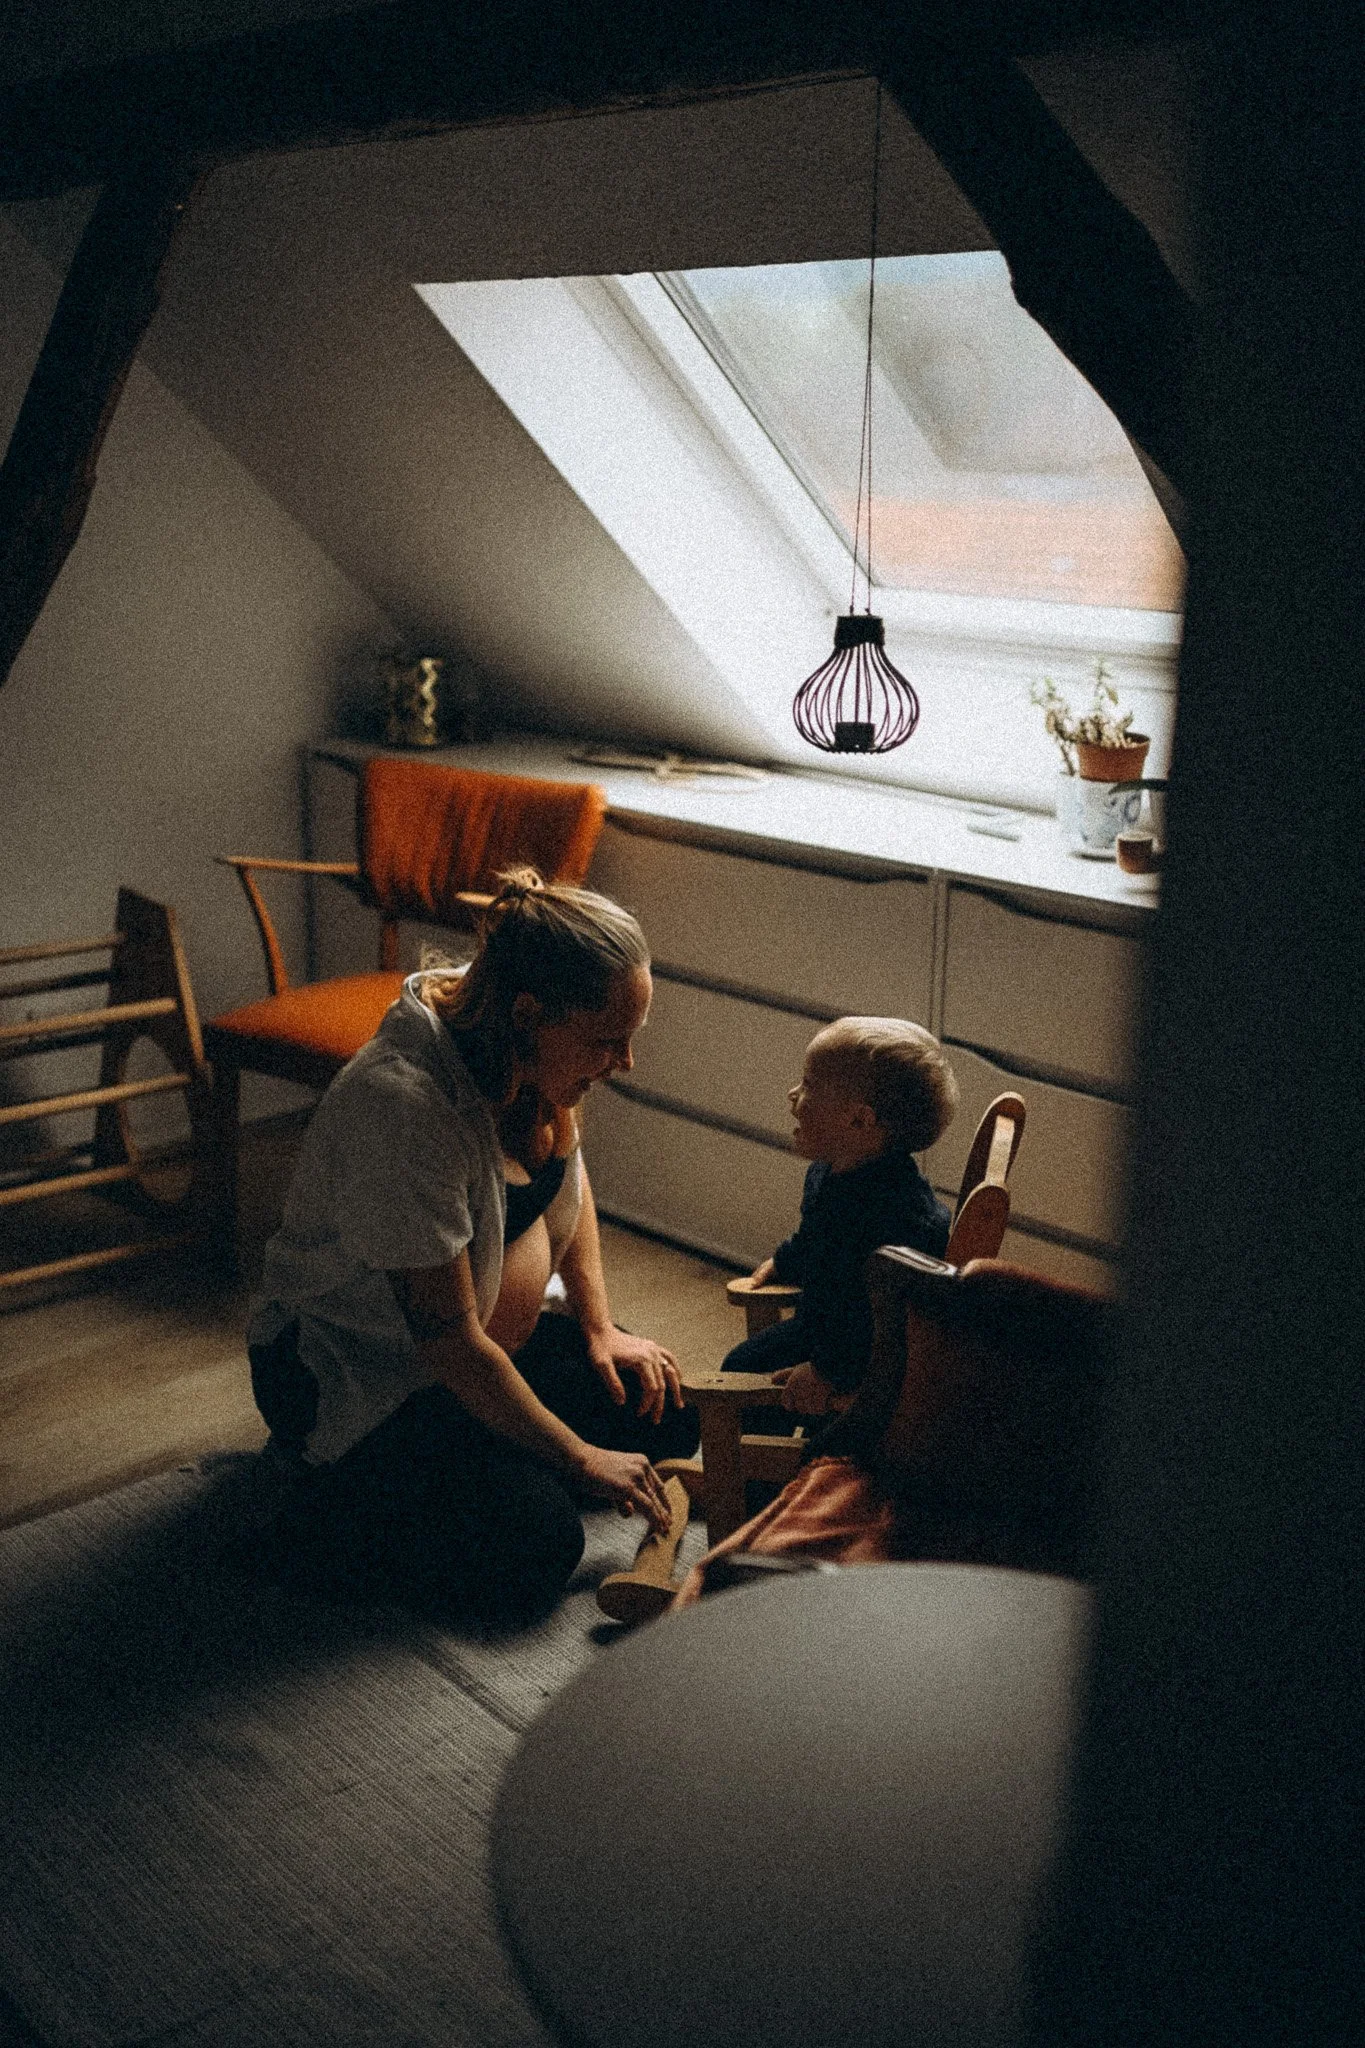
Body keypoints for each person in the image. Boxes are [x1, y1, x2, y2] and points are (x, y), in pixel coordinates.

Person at [244, 869, 698, 1623]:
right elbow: (448, 1343)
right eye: (606, 1042)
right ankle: (319, 1508)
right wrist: (579, 1458)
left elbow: (568, 1191)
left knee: (665, 1412)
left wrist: (598, 1328)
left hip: (487, 1353)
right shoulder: (404, 1107)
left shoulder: (519, 1038)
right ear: (529, 1014)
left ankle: (483, 1459)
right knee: (535, 1546)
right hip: (367, 1381)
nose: (624, 1063)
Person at [726, 1016, 959, 1417]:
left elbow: (879, 1320)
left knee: (746, 1380)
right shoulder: (830, 1171)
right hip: (825, 1323)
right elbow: (813, 1238)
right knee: (741, 1363)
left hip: (867, 1361)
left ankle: (761, 1475)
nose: (792, 1094)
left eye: (809, 1085)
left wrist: (827, 1375)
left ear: (859, 1120)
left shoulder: (896, 1219)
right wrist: (786, 1261)